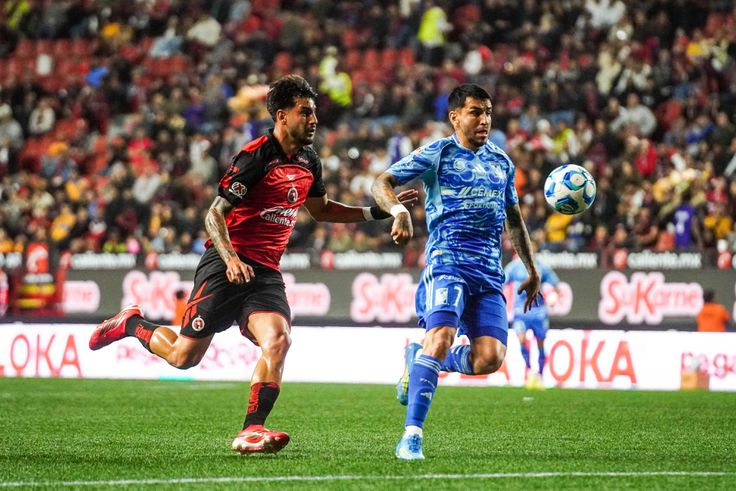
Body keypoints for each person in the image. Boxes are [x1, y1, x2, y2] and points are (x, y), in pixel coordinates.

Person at [89, 75, 417, 455]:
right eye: (305, 112)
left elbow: (322, 210)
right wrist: (230, 259)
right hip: (225, 264)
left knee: (278, 340)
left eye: (314, 113)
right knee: (183, 356)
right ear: (282, 116)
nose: (313, 120)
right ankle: (131, 323)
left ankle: (251, 430)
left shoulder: (309, 160)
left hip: (265, 273)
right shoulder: (255, 157)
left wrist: (375, 212)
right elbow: (214, 215)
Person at [372, 83, 541, 460]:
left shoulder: (501, 162)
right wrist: (399, 211)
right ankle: (411, 436)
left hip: (489, 272)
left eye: (488, 113)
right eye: (475, 112)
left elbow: (513, 218)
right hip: (447, 261)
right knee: (442, 336)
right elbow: (381, 182)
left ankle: (419, 356)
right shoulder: (438, 153)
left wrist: (530, 267)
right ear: (455, 117)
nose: (484, 120)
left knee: (490, 359)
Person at [504, 245, 561, 389]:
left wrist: (554, 295)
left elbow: (556, 284)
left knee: (540, 343)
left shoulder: (542, 267)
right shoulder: (514, 267)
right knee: (522, 340)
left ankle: (540, 375)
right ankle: (530, 371)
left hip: (539, 311)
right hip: (521, 311)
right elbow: (501, 283)